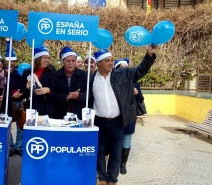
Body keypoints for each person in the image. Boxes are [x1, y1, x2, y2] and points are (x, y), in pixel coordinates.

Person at [89, 46, 156, 185]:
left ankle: (112, 179)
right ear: (99, 63)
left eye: (112, 60)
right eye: (107, 60)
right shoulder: (91, 79)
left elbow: (140, 70)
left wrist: (149, 55)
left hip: (117, 122)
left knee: (116, 152)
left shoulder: (122, 74)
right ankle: (102, 178)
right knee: (99, 151)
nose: (110, 63)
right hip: (99, 122)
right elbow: (86, 97)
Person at [114, 58, 145, 175]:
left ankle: (123, 164)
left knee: (126, 140)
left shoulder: (134, 82)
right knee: (116, 140)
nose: (123, 69)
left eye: (125, 67)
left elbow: (141, 99)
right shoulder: (113, 81)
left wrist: (136, 93)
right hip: (116, 117)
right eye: (120, 67)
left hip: (129, 117)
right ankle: (115, 162)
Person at [50, 46, 87, 119]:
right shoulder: (55, 75)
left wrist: (79, 96)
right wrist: (66, 97)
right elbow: (52, 95)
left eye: (73, 61)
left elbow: (89, 94)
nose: (71, 63)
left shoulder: (84, 75)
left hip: (79, 115)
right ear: (63, 61)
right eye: (68, 61)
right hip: (60, 115)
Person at [21, 46, 55, 117]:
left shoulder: (52, 71)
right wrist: (27, 87)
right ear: (37, 59)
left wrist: (48, 90)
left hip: (47, 109)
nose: (47, 60)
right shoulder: (27, 72)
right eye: (44, 58)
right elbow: (23, 93)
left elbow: (58, 90)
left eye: (48, 58)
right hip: (32, 109)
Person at [4, 40, 24, 157]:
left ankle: (19, 146)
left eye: (13, 61)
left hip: (19, 101)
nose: (11, 63)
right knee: (8, 124)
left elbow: (23, 85)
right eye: (9, 61)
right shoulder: (2, 73)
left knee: (20, 125)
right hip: (8, 101)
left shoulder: (19, 71)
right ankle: (10, 146)